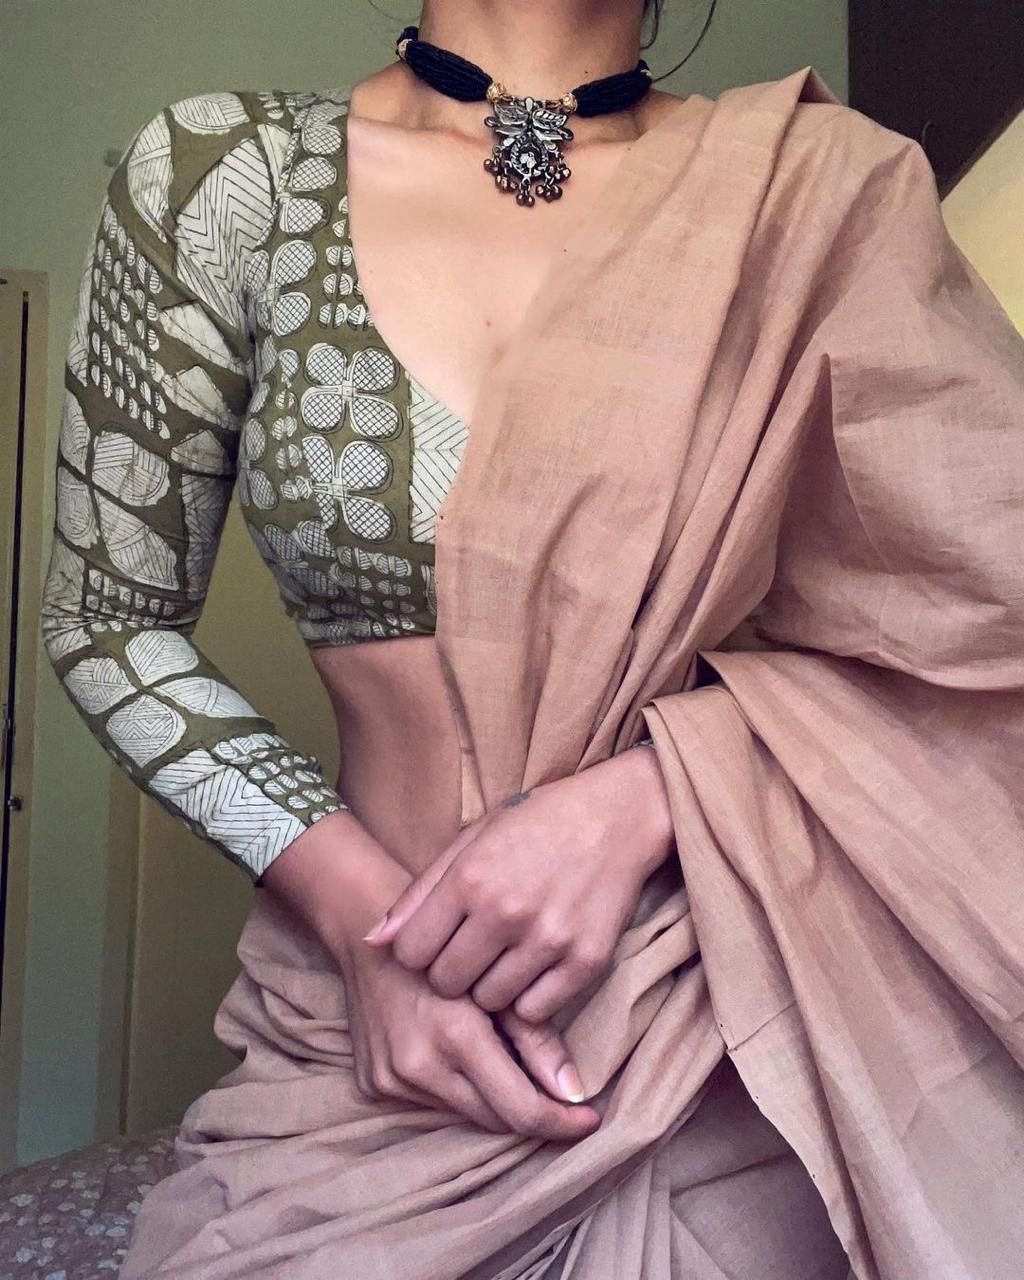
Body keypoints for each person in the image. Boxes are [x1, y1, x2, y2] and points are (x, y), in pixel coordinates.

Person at [39, 1, 1024, 1276]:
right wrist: (363, 923)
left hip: (729, 1032)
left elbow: (981, 624)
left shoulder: (815, 196)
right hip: (360, 1039)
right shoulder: (229, 177)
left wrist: (652, 792)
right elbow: (108, 622)